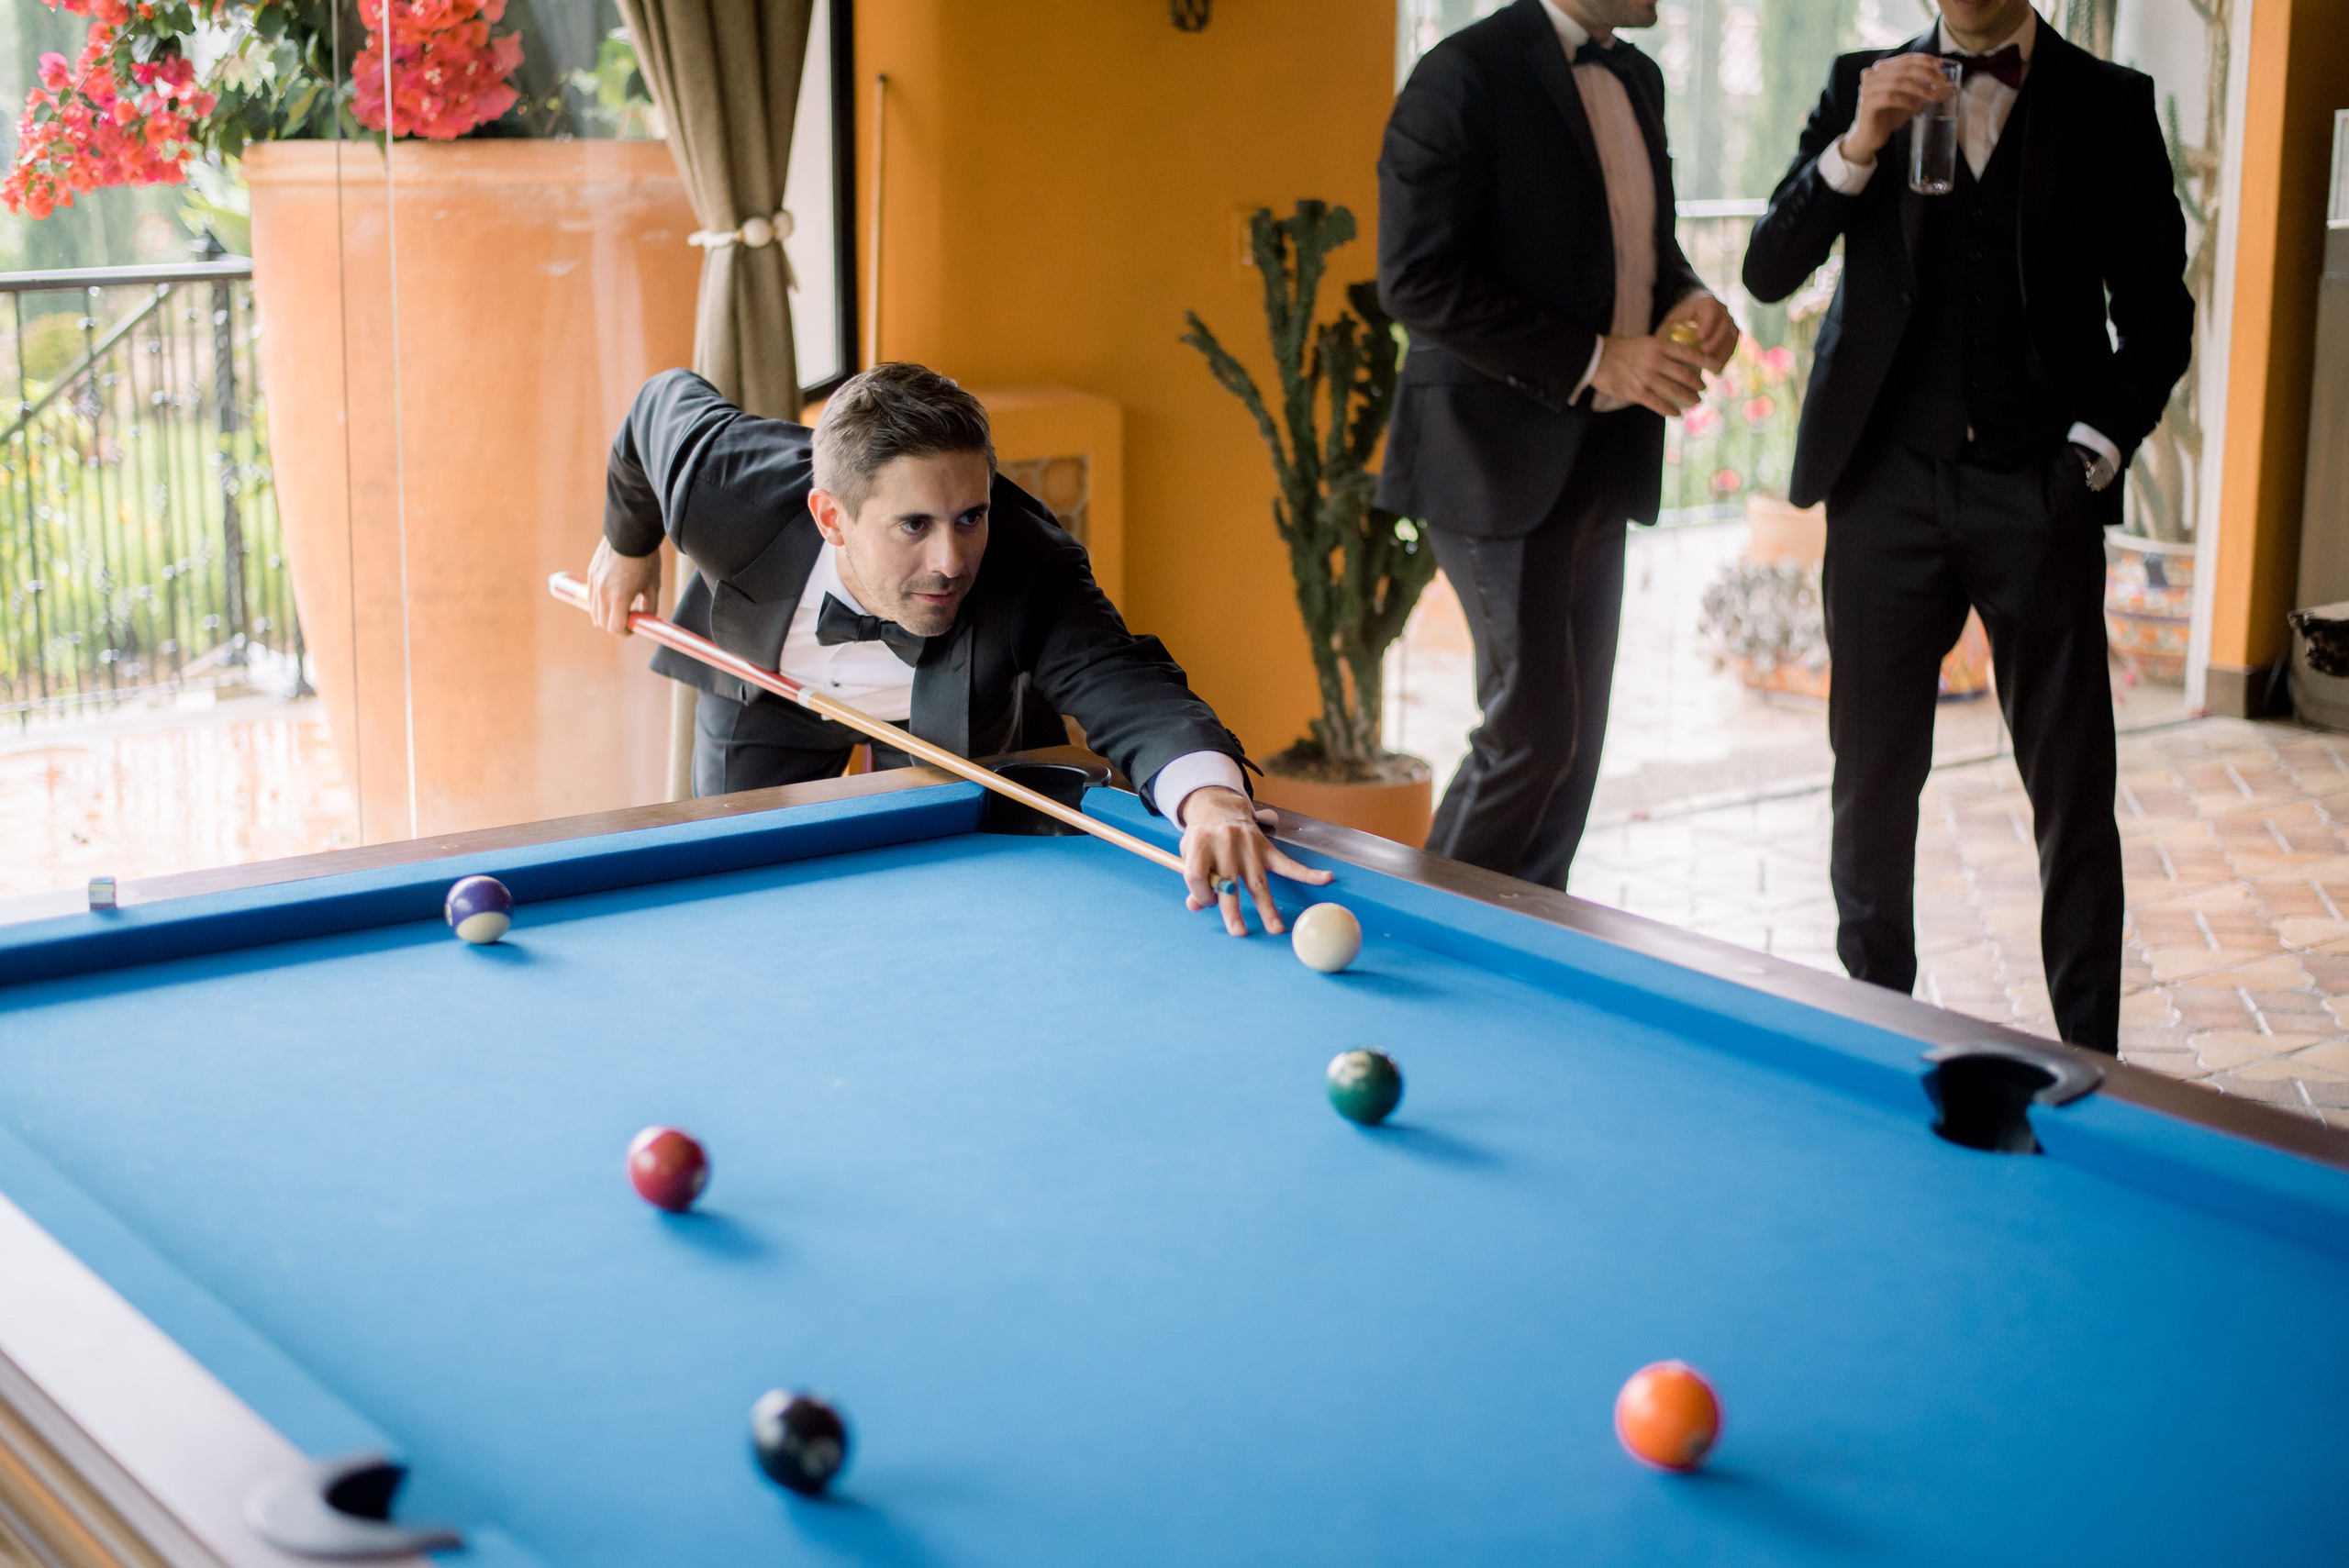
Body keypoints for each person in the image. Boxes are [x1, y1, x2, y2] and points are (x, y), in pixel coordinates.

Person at [1742, 0, 2192, 1051]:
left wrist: (2090, 454)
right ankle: (1876, 1025)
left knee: (2073, 788)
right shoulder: (1865, 80)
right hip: (1883, 488)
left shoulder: (2107, 104)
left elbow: (2158, 310)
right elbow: (1769, 270)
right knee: (1871, 773)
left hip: (2037, 490)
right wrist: (1859, 144)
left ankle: (2092, 1058)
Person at [584, 361, 1330, 935]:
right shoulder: (727, 485)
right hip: (770, 689)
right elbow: (655, 406)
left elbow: (1125, 683)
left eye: (969, 516)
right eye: (914, 525)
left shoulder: (1030, 564)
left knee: (985, 907)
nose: (951, 560)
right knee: (734, 886)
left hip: (956, 715)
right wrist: (628, 544)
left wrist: (1210, 799)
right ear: (830, 516)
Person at [1376, 0, 1737, 893]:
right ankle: (1415, 940)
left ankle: (1531, 957)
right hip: (1490, 455)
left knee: (1570, 752)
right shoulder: (1461, 72)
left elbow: (1638, 249)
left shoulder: (1639, 78)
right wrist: (1594, 359)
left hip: (1604, 455)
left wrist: (1685, 295)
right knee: (1528, 734)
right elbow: (1414, 278)